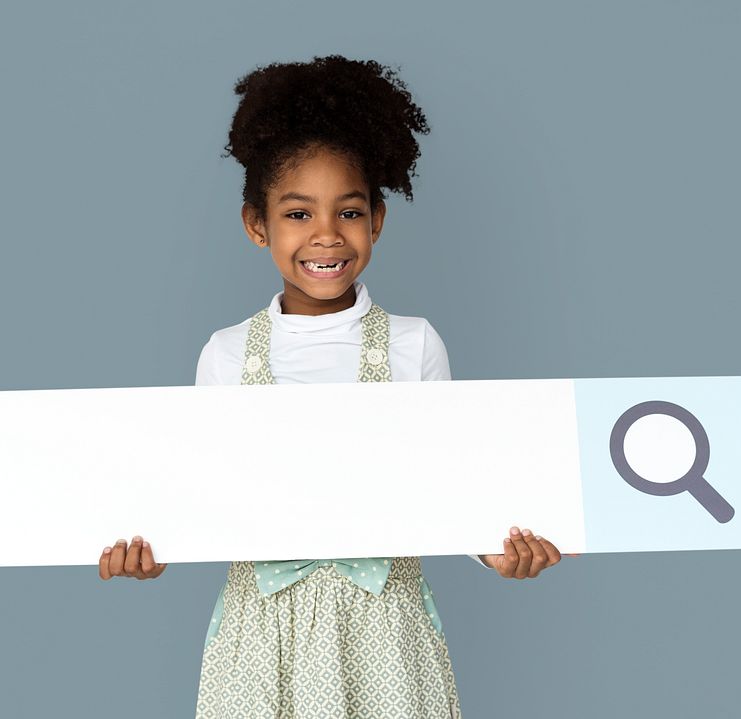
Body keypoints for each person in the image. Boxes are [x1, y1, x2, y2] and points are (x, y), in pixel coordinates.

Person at [98, 54, 571, 718]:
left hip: (387, 632)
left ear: (376, 220)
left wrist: (498, 549)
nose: (326, 234)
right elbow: (199, 492)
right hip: (263, 639)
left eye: (348, 212)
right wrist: (153, 550)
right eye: (297, 214)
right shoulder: (226, 356)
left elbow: (449, 478)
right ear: (255, 223)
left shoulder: (414, 345)